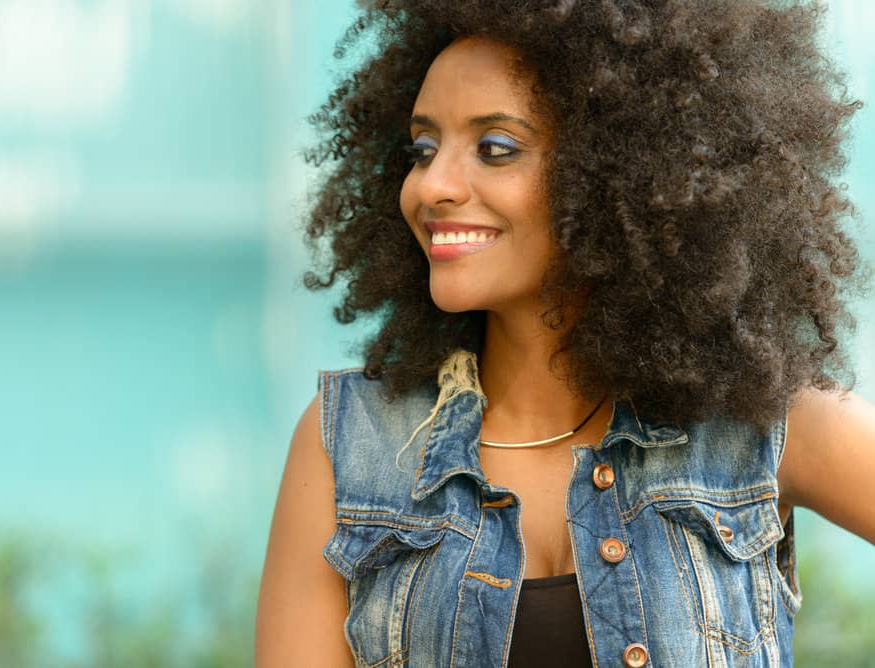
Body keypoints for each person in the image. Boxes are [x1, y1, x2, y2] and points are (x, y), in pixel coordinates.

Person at [256, 1, 875, 666]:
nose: (432, 185)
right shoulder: (351, 443)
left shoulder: (764, 425)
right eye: (423, 148)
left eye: (495, 149)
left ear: (622, 173)